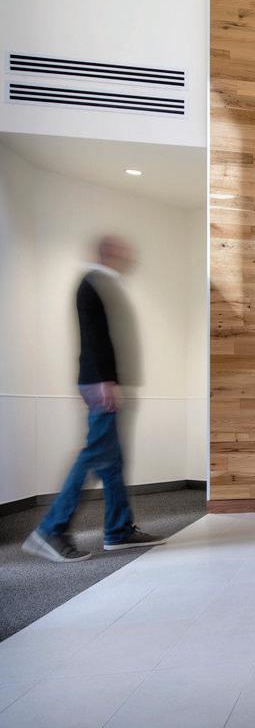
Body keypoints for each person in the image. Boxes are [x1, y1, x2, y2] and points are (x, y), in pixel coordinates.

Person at [23, 236, 166, 562]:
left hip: (104, 383)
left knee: (112, 463)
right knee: (94, 455)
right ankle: (50, 530)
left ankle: (118, 530)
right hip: (101, 384)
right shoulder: (92, 283)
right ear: (108, 253)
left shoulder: (104, 284)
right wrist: (103, 381)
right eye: (122, 251)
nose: (128, 257)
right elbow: (93, 337)